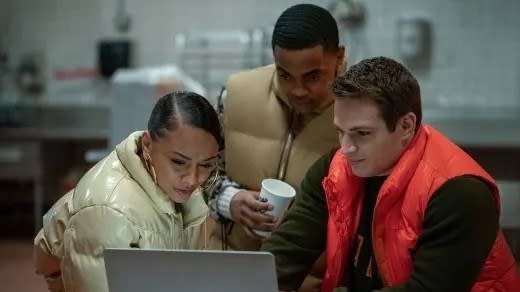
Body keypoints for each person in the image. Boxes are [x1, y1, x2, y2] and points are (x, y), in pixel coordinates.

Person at [261, 57, 520, 292]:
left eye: (362, 133)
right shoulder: (334, 168)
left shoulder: (460, 193)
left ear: (406, 126)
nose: (347, 148)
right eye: (341, 131)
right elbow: (286, 253)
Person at [33, 91, 223, 292]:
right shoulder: (105, 214)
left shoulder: (186, 189)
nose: (193, 179)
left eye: (206, 165)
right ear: (148, 145)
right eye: (178, 162)